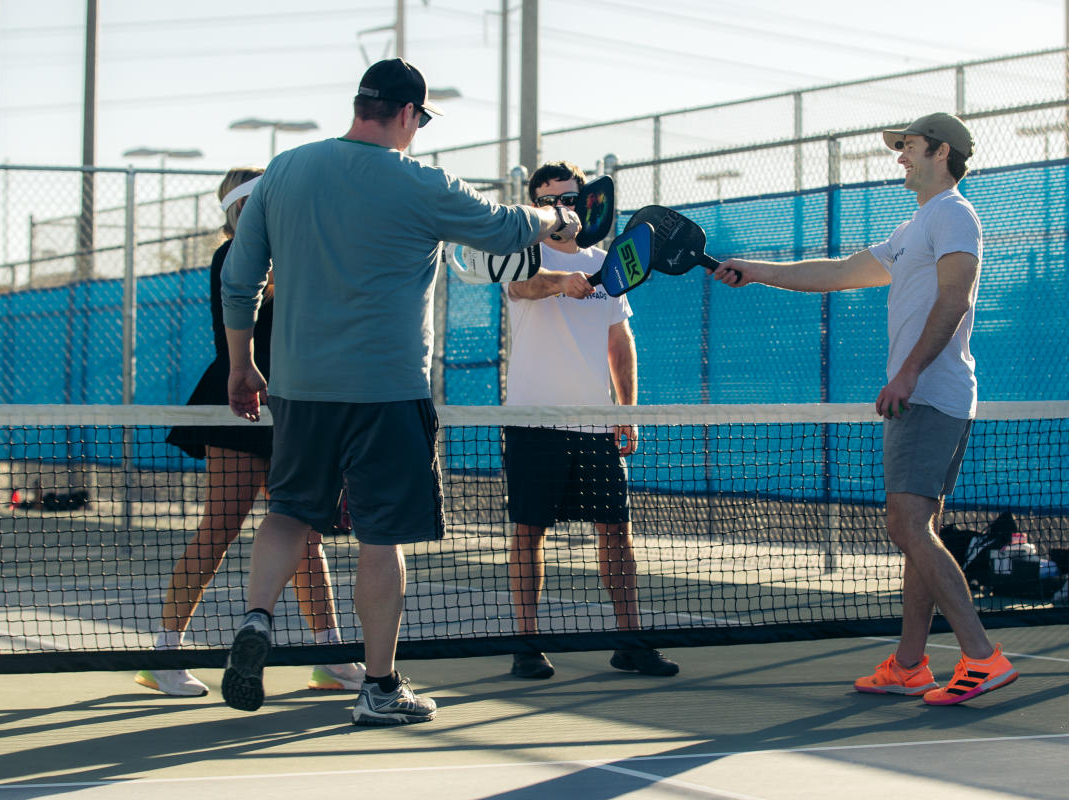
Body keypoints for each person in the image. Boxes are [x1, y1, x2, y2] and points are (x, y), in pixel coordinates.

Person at [218, 58, 583, 725]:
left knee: (288, 514)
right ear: (409, 115)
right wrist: (554, 214)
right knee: (380, 540)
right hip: (387, 391)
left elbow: (238, 281)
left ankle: (257, 618)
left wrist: (243, 366)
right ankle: (380, 689)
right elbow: (505, 228)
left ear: (361, 104)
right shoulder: (422, 183)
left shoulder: (284, 173)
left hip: (298, 390)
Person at [711, 113, 1018, 705]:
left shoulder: (954, 212)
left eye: (908, 147)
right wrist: (756, 271)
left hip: (929, 393)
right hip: (919, 395)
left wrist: (908, 373)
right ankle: (908, 665)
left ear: (941, 151)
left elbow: (957, 296)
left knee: (904, 526)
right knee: (916, 530)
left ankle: (983, 657)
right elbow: (838, 273)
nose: (900, 156)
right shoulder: (914, 228)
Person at [137, 168, 365, 698]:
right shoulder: (237, 257)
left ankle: (330, 656)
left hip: (291, 411)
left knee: (305, 535)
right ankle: (164, 654)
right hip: (241, 408)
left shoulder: (294, 259)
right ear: (247, 208)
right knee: (219, 528)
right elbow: (244, 339)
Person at [501, 160, 679, 680]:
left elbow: (619, 343)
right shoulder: (521, 255)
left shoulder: (609, 263)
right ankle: (527, 644)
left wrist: (626, 412)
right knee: (528, 532)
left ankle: (630, 641)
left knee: (617, 531)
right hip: (534, 422)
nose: (566, 209)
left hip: (596, 424)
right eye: (554, 200)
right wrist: (562, 282)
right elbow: (523, 289)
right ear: (538, 205)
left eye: (573, 199)